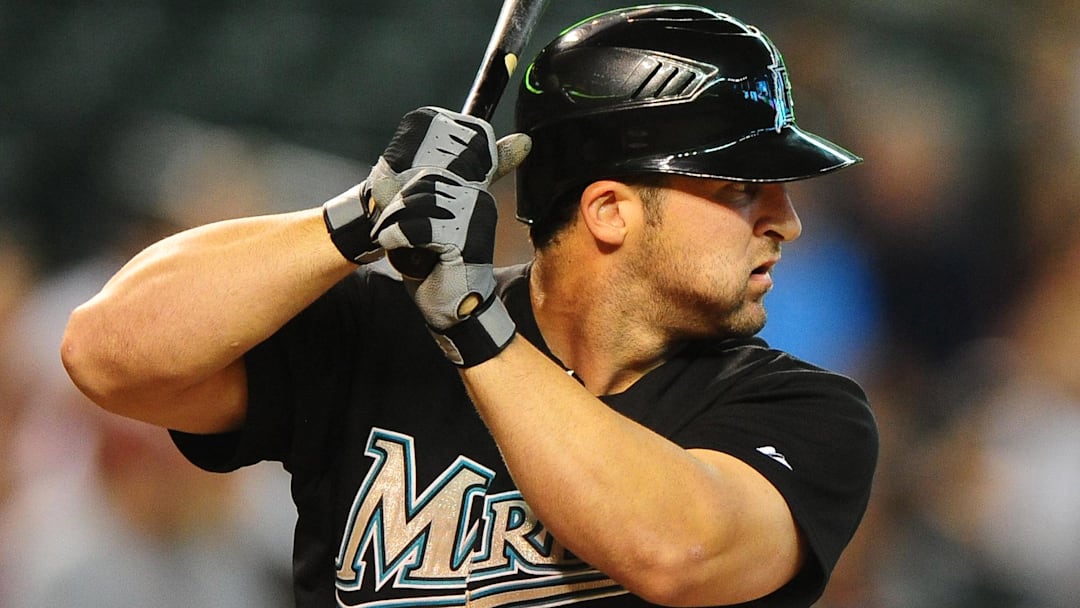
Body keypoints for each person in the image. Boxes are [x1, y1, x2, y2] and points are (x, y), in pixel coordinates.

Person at [61, 5, 878, 607]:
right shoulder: (377, 339)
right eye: (743, 189)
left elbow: (679, 550)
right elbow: (107, 355)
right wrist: (357, 217)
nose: (787, 221)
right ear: (609, 211)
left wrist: (471, 325)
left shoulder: (799, 410)